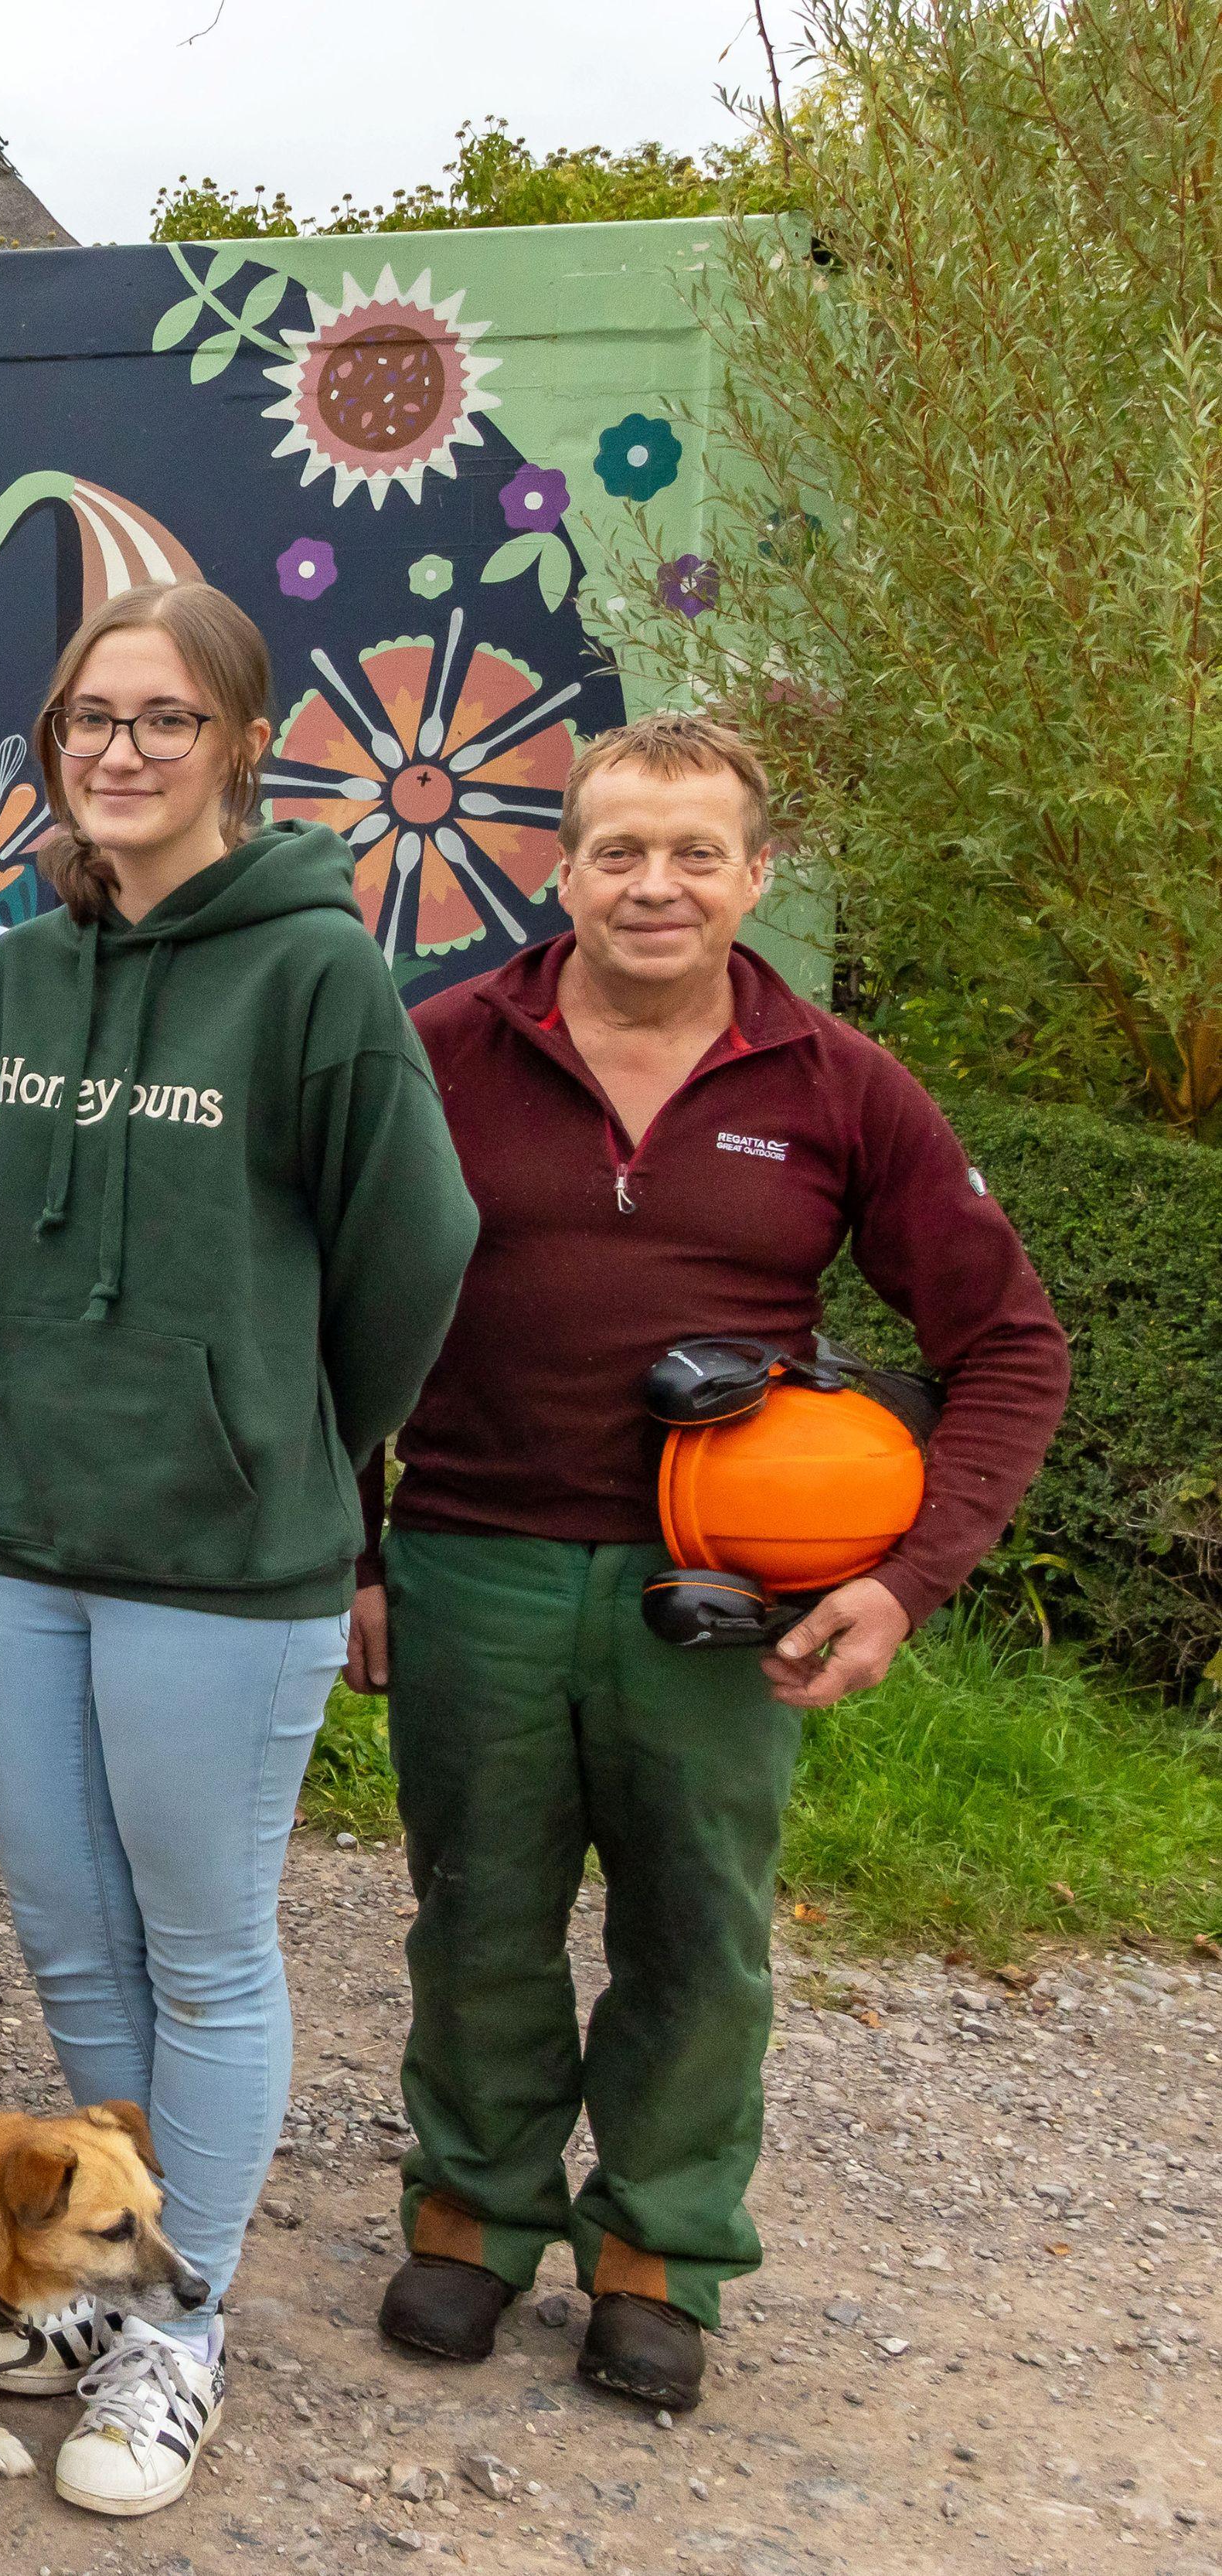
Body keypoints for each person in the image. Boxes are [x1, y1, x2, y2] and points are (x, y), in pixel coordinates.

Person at [363, 710, 1067, 2414]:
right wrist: (352, 1551)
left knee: (698, 1931)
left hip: (722, 1600)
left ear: (756, 873)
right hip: (475, 1560)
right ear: (562, 864)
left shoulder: (837, 1084)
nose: (654, 885)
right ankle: (471, 2218)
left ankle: (660, 2252)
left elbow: (1012, 1347)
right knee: (476, 1916)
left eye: (694, 853)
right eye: (619, 848)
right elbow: (328, 1311)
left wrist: (902, 1578)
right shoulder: (437, 1046)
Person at [0, 580, 479, 2519]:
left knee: (204, 1952)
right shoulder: (14, 975)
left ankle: (183, 2326)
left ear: (239, 742)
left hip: (222, 1553)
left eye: (164, 720)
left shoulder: (315, 971)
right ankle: (103, 2277)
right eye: (89, 718)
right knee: (72, 1938)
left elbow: (416, 1246)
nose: (118, 753)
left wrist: (299, 1435)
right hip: (21, 1532)